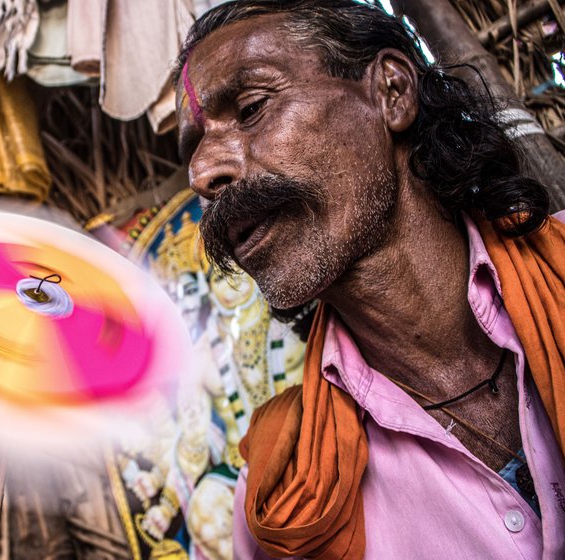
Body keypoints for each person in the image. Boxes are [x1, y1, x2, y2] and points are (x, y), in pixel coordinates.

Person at [173, 1, 565, 558]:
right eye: (192, 152)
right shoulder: (285, 499)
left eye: (254, 106)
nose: (202, 173)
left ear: (392, 91)